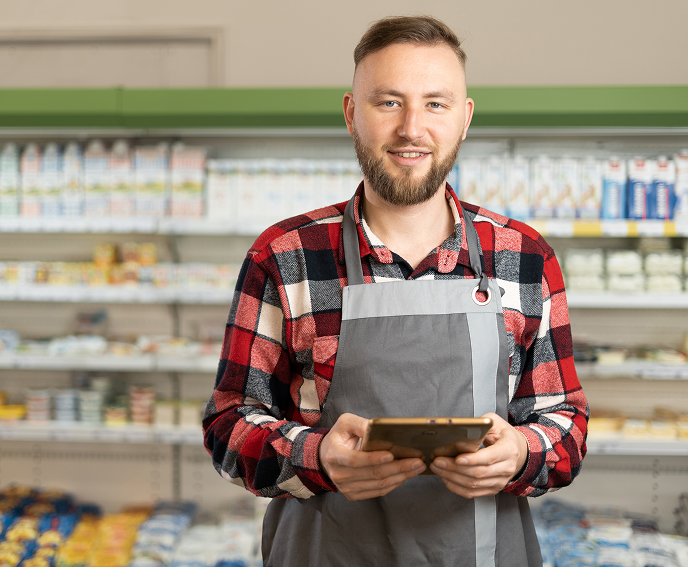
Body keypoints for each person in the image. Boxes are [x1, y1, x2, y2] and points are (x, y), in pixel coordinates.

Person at [203, 15, 589, 567]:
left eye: (436, 103)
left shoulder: (525, 256)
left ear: (465, 118)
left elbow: (566, 424)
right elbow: (229, 424)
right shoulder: (284, 256)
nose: (412, 128)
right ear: (350, 114)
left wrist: (523, 452)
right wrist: (317, 456)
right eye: (388, 102)